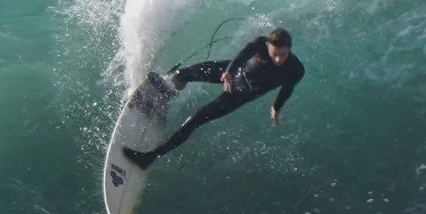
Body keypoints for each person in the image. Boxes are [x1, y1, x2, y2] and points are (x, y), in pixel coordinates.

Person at [123, 28, 302, 169]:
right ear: (268, 46)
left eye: (283, 54)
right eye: (275, 54)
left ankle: (150, 157)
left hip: (240, 93)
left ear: (290, 49)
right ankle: (169, 92)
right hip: (234, 72)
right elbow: (241, 57)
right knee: (182, 74)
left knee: (196, 119)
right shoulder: (260, 44)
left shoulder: (295, 69)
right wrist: (229, 72)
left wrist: (276, 107)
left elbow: (287, 89)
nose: (278, 59)